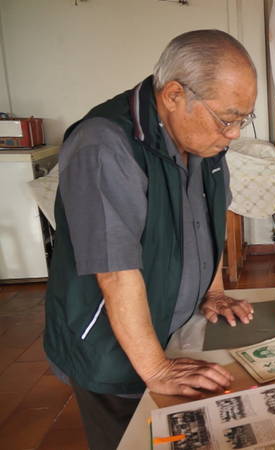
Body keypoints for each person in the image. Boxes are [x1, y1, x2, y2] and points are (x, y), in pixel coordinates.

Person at [44, 30, 258, 449]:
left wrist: (213, 291)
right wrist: (157, 370)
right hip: (113, 347)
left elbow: (209, 217)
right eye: (227, 118)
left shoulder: (202, 138)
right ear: (175, 94)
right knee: (130, 439)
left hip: (171, 329)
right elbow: (115, 273)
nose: (233, 133)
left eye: (241, 120)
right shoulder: (104, 144)